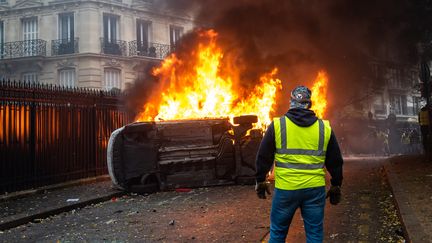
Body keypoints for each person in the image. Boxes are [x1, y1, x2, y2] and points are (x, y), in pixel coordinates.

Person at [255, 85, 344, 243]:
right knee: (315, 234)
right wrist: (336, 184)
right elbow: (335, 161)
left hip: (286, 190)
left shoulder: (278, 125)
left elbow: (263, 156)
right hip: (314, 190)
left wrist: (260, 180)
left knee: (277, 233)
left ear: (291, 102)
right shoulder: (324, 128)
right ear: (309, 104)